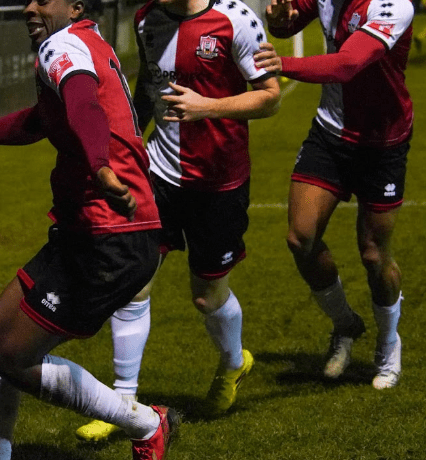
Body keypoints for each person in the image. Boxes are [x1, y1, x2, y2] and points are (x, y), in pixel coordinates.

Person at [0, 0, 180, 458]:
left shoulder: (61, 44)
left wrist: (100, 169)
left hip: (108, 235)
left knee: (11, 355)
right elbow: (44, 119)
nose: (30, 8)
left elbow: (84, 105)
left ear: (74, 7)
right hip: (90, 229)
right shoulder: (87, 40)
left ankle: (146, 423)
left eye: (44, 0)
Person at [75, 0, 280, 441]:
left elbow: (270, 97)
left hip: (219, 182)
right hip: (159, 174)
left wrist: (208, 108)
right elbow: (148, 85)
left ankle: (233, 363)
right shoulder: (147, 18)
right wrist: (124, 146)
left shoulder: (236, 19)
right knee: (133, 282)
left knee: (207, 297)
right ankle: (122, 403)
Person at [253, 0, 413, 390]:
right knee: (301, 238)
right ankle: (345, 323)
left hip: (382, 143)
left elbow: (347, 64)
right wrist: (278, 22)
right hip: (331, 132)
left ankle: (389, 342)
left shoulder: (394, 5)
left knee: (374, 255)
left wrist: (282, 65)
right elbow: (288, 25)